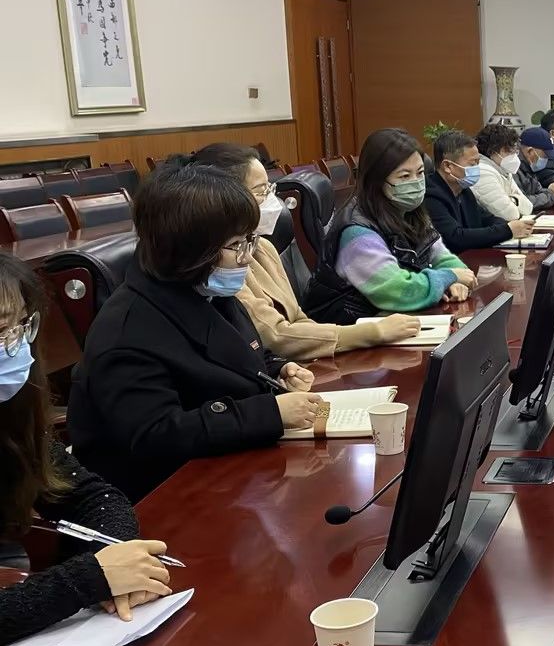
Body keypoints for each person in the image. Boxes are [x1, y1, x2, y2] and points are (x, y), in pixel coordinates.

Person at [69, 163, 325, 501]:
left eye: (249, 241)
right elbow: (158, 435)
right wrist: (270, 413)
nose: (248, 258)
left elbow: (238, 355)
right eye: (237, 245)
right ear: (190, 250)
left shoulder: (205, 290)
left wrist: (277, 369)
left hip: (231, 470)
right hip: (165, 497)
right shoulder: (126, 333)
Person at [0, 253, 174, 645]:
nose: (16, 347)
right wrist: (91, 577)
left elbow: (94, 498)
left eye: (23, 325)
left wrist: (117, 565)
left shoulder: (11, 413)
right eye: (0, 331)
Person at [185, 143, 422, 360]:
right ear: (226, 198)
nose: (272, 200)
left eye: (270, 188)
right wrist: (370, 333)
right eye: (261, 191)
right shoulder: (220, 264)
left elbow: (298, 317)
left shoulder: (264, 247)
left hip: (297, 366)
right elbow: (275, 336)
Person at [304, 129, 475, 325]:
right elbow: (396, 290)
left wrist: (455, 280)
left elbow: (442, 256)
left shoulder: (409, 211)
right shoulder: (357, 231)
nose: (416, 182)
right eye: (404, 176)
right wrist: (448, 277)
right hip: (351, 332)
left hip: (393, 323)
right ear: (376, 180)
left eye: (420, 173)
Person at [425, 129, 534, 251]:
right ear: (448, 166)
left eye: (478, 162)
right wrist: (508, 230)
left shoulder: (464, 191)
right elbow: (455, 238)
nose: (477, 169)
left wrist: (507, 227)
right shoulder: (431, 195)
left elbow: (489, 219)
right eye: (472, 164)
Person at [470, 123, 539, 220]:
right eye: (508, 151)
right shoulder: (482, 173)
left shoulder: (503, 171)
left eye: (514, 150)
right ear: (492, 151)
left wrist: (511, 200)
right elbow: (510, 215)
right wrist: (515, 200)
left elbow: (528, 208)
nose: (513, 155)